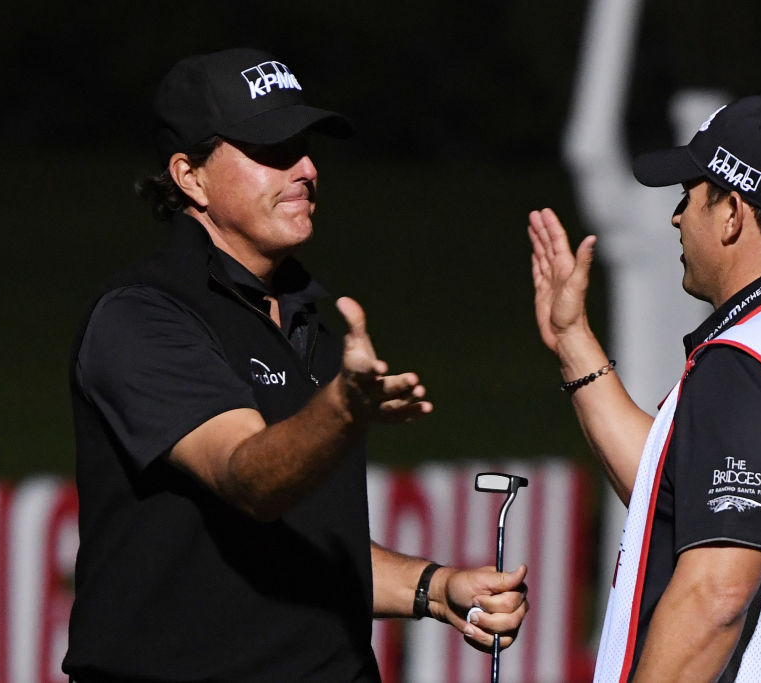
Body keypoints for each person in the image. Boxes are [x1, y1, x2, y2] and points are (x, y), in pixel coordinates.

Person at [63, 47, 527, 682]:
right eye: (270, 150)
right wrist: (338, 410)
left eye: (305, 146)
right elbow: (247, 479)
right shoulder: (142, 316)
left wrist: (435, 587)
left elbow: (296, 543)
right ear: (190, 176)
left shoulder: (314, 313)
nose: (307, 168)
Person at [528, 96, 761, 681]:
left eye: (690, 194)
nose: (677, 216)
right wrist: (573, 340)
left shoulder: (748, 362)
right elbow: (688, 499)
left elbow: (715, 597)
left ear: (732, 212)